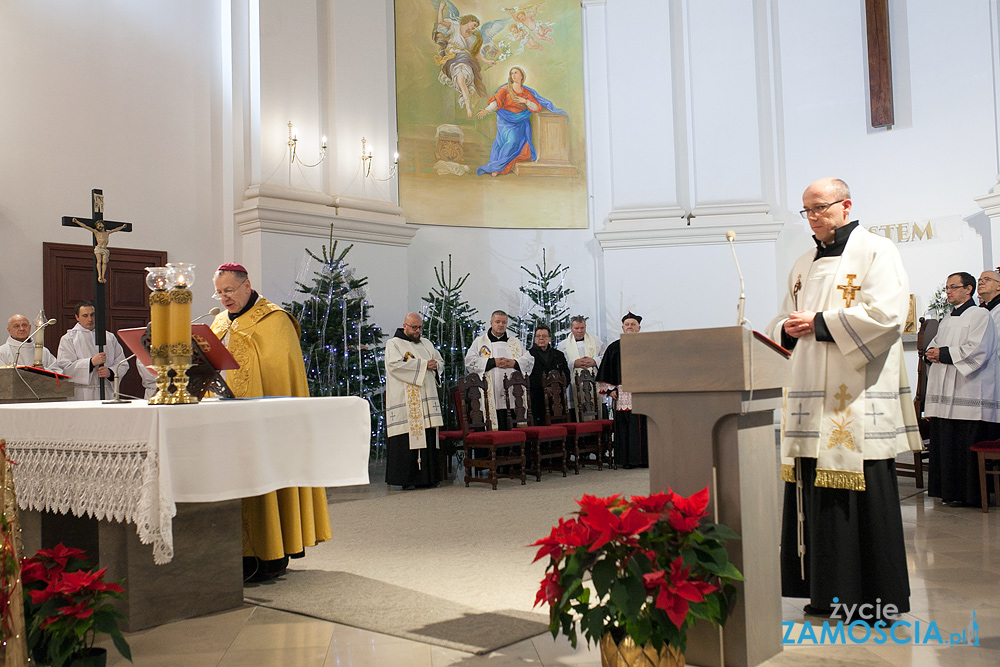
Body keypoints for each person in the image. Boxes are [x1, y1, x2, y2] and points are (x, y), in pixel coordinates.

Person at [766, 177, 921, 622]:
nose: (813, 216)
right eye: (807, 210)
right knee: (815, 496)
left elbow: (888, 315)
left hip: (855, 396)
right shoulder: (801, 263)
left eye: (821, 207)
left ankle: (871, 599)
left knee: (862, 499)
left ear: (846, 204)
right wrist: (784, 330)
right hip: (808, 396)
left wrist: (818, 323)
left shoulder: (876, 251)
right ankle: (825, 593)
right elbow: (783, 318)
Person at [209, 263, 332, 581]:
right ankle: (235, 553)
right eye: (220, 293)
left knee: (264, 477)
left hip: (264, 422)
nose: (224, 299)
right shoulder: (219, 322)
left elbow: (282, 376)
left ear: (246, 285)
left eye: (229, 291)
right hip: (225, 420)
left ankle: (271, 555)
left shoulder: (275, 321)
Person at [924, 272, 1000, 507]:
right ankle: (948, 492)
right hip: (947, 392)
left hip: (968, 390)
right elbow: (935, 344)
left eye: (953, 287)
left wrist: (944, 354)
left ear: (968, 289)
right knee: (946, 442)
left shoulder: (980, 315)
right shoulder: (947, 318)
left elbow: (978, 349)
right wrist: (931, 353)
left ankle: (969, 495)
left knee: (962, 442)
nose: (948, 291)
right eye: (947, 287)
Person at [385, 312, 445, 489]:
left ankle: (428, 478)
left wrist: (436, 365)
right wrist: (424, 365)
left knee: (427, 435)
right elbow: (394, 366)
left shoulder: (426, 343)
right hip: (407, 400)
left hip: (426, 399)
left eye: (419, 327)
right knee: (406, 438)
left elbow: (439, 361)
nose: (417, 331)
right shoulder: (393, 344)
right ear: (405, 326)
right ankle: (408, 479)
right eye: (414, 327)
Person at [476, 66, 565, 176]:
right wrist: (486, 110)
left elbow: (536, 107)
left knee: (513, 142)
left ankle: (498, 167)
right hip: (505, 122)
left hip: (520, 123)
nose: (513, 75)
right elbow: (496, 102)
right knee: (506, 142)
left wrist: (525, 101)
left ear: (522, 76)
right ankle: (497, 166)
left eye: (516, 73)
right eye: (512, 73)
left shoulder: (526, 93)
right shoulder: (505, 89)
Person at [465, 310, 534, 430]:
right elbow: (469, 362)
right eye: (497, 322)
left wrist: (515, 363)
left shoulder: (515, 342)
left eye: (504, 322)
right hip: (490, 394)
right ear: (491, 323)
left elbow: (529, 360)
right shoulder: (480, 342)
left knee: (511, 426)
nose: (501, 325)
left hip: (512, 395)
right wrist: (492, 362)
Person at [596, 312, 648, 468]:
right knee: (625, 426)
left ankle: (644, 460)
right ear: (622, 328)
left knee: (644, 426)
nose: (630, 327)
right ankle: (626, 460)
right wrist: (610, 389)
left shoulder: (648, 345)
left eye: (633, 324)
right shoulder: (614, 347)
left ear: (639, 328)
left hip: (643, 392)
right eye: (627, 325)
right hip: (623, 393)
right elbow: (606, 371)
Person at [56, 301, 129, 400]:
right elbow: (64, 367)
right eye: (85, 316)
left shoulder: (109, 337)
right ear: (77, 317)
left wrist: (111, 372)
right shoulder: (69, 338)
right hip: (82, 393)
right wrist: (90, 363)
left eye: (92, 315)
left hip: (107, 391)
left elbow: (122, 363)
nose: (90, 319)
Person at [433, 2, 489, 118]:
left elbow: (475, 53)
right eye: (474, 24)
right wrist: (441, 9)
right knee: (461, 82)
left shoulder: (472, 38)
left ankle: (468, 108)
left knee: (461, 81)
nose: (474, 27)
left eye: (476, 26)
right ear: (468, 21)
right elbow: (440, 22)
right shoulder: (454, 26)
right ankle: (469, 102)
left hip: (464, 59)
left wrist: (487, 61)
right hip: (451, 59)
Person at [528, 324, 570, 425]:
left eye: (544, 336)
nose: (541, 338)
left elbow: (566, 375)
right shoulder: (528, 355)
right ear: (534, 339)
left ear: (549, 338)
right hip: (538, 399)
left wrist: (557, 389)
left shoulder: (559, 355)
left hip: (558, 399)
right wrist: (545, 389)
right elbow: (528, 378)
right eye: (538, 336)